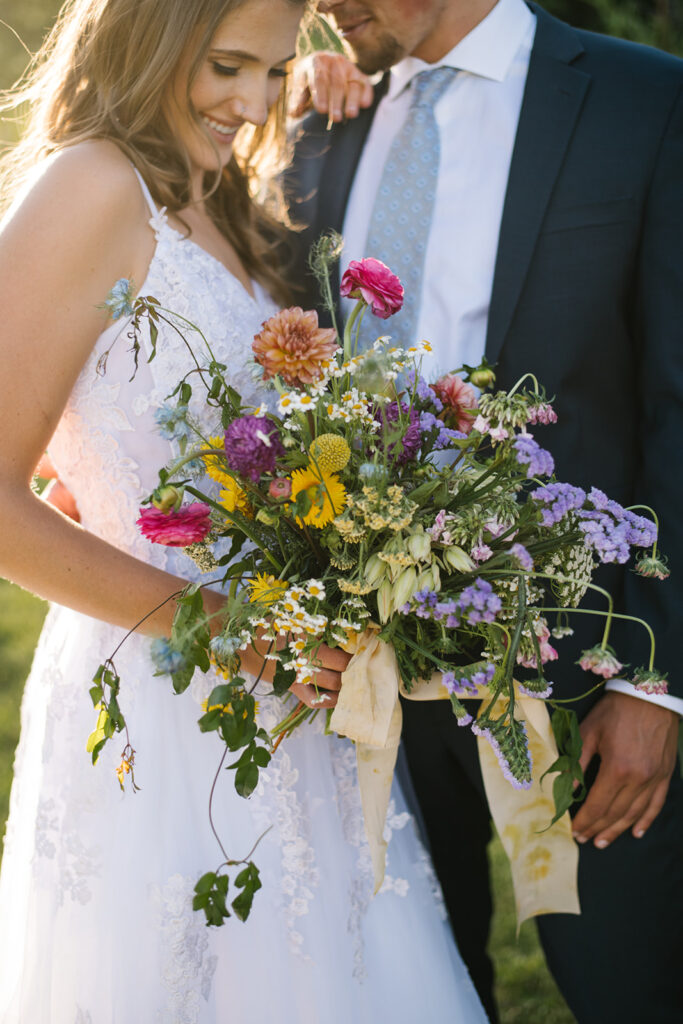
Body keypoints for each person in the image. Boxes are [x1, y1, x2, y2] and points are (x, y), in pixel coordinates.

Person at [0, 1, 490, 1020]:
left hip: (291, 701)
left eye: (272, 73)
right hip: (161, 697)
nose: (251, 101)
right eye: (227, 66)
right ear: (149, 37)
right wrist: (226, 628)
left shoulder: (216, 196)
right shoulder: (91, 186)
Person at [286, 1, 683, 1021]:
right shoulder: (327, 116)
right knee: (419, 988)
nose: (320, 3)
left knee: (629, 985)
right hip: (362, 677)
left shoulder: (643, 101)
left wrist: (657, 683)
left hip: (588, 679)